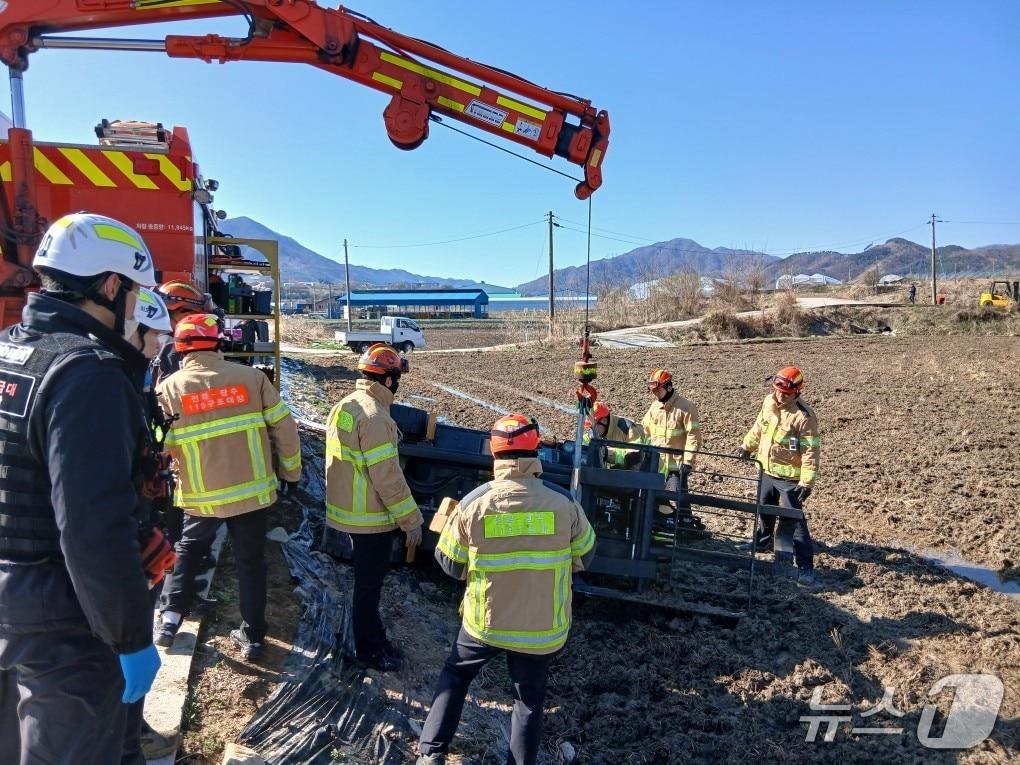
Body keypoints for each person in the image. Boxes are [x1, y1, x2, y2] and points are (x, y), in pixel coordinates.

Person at [0, 213, 161, 765]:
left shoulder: (8, 349)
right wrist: (130, 637)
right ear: (111, 286)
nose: (138, 310)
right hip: (63, 622)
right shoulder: (88, 374)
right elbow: (93, 529)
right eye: (136, 295)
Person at [417, 413, 596, 765]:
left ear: (494, 453)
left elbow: (450, 564)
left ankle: (430, 753)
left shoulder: (473, 504)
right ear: (536, 451)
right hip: (543, 629)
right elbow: (586, 556)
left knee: (456, 672)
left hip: (486, 622)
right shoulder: (564, 504)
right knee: (528, 701)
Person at [155, 314, 301, 661]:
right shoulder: (251, 379)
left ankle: (169, 621)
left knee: (188, 550)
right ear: (219, 343)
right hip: (251, 493)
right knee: (251, 562)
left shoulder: (169, 390)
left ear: (179, 348)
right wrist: (291, 474)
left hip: (202, 497)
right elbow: (286, 429)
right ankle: (252, 637)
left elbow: (158, 445)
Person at [325, 343, 424, 671]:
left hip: (346, 513)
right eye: (397, 378)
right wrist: (411, 520)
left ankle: (373, 637)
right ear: (390, 379)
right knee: (369, 589)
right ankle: (369, 651)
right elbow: (388, 479)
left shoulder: (346, 405)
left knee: (366, 586)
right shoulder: (375, 416)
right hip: (370, 519)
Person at [737, 365, 820, 586]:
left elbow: (811, 451)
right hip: (766, 470)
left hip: (789, 479)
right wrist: (747, 446)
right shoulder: (768, 402)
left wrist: (806, 482)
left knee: (795, 522)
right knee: (764, 509)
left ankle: (805, 567)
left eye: (786, 392)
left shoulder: (803, 417)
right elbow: (759, 427)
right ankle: (763, 542)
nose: (781, 395)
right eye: (778, 390)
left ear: (797, 391)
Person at [641, 369, 704, 533]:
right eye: (653, 390)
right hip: (657, 464)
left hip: (676, 466)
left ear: (668, 387)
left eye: (657, 390)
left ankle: (686, 525)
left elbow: (694, 437)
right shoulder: (655, 407)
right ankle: (664, 525)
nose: (655, 394)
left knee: (678, 497)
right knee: (657, 498)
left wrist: (688, 462)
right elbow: (644, 430)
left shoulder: (686, 407)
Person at [152, 280, 221, 387]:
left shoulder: (152, 339)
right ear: (184, 313)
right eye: (197, 315)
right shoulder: (177, 347)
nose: (199, 321)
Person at [584, 400, 645, 467]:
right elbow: (583, 444)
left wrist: (607, 453)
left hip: (633, 473)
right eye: (590, 427)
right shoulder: (595, 432)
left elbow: (636, 454)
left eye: (593, 427)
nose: (592, 430)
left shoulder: (628, 429)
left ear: (604, 421)